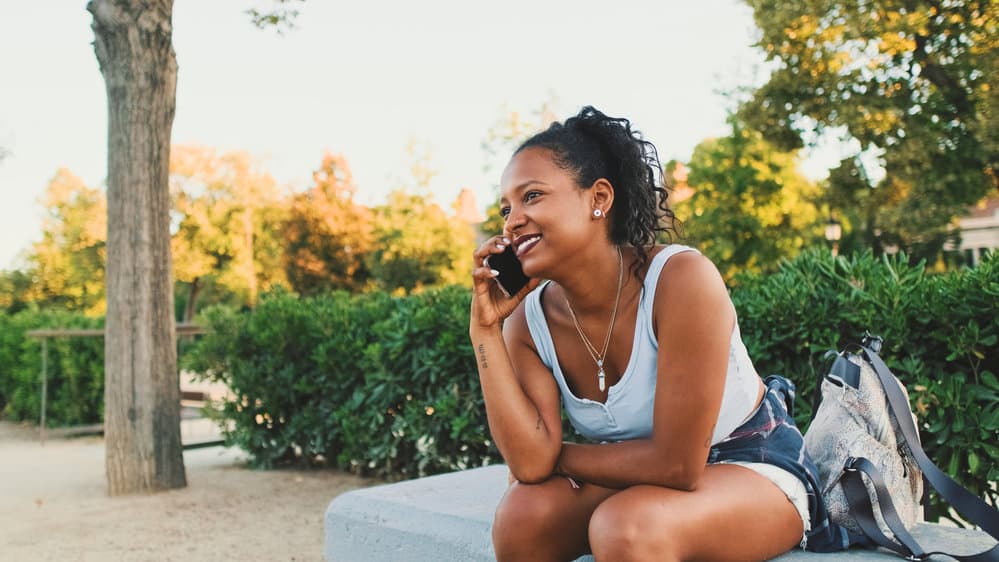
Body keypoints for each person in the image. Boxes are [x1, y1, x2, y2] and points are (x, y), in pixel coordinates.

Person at [469, 106, 846, 561]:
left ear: (599, 199)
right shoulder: (527, 321)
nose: (511, 221)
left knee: (626, 528)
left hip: (749, 464)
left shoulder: (681, 279)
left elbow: (678, 464)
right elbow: (529, 465)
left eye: (532, 196)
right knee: (521, 518)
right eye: (506, 207)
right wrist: (486, 330)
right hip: (638, 480)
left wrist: (557, 456)